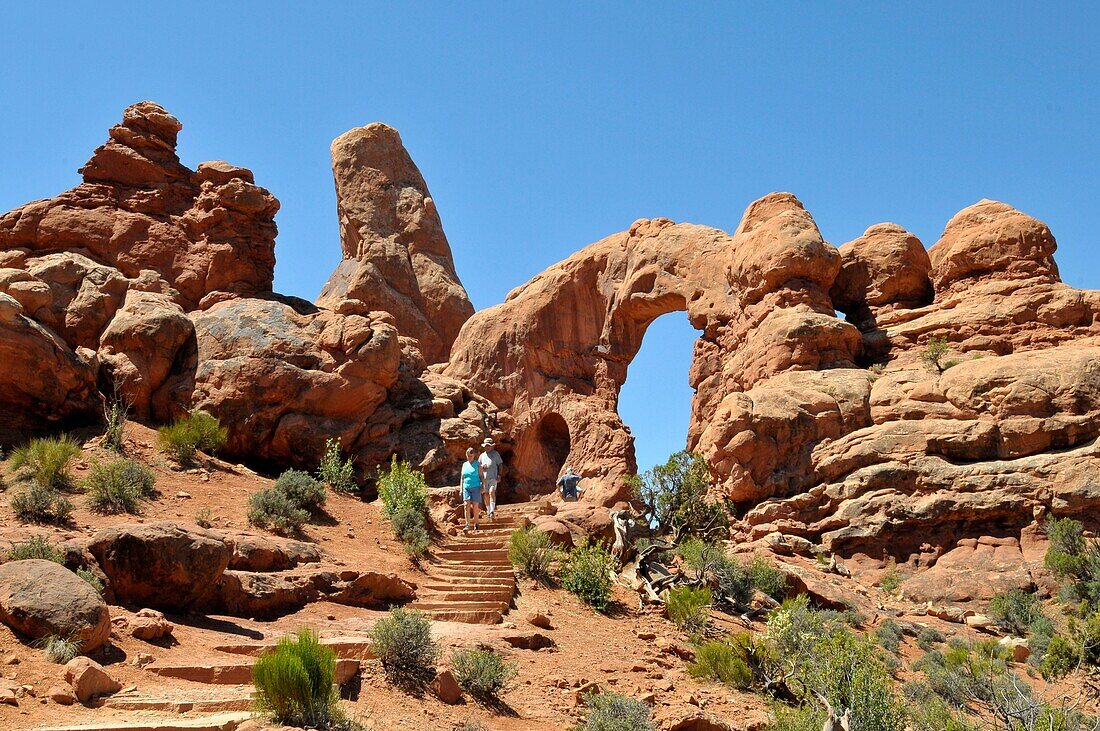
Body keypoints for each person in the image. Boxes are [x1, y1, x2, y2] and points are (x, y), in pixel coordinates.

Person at [478, 438, 504, 519]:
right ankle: (488, 510)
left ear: (492, 446)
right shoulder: (481, 456)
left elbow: (500, 465)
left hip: (493, 477)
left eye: (489, 445)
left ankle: (492, 510)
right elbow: (478, 467)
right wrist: (482, 467)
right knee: (485, 495)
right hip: (484, 479)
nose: (487, 447)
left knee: (491, 491)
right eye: (486, 446)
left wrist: (499, 474)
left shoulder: (496, 454)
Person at [461, 447, 482, 531]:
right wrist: (461, 489)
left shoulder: (477, 464)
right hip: (466, 487)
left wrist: (483, 486)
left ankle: (476, 523)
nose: (469, 457)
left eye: (470, 455)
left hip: (476, 487)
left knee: (475, 505)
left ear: (474, 455)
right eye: (467, 455)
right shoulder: (464, 465)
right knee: (466, 505)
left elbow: (481, 476)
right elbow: (462, 478)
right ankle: (467, 524)